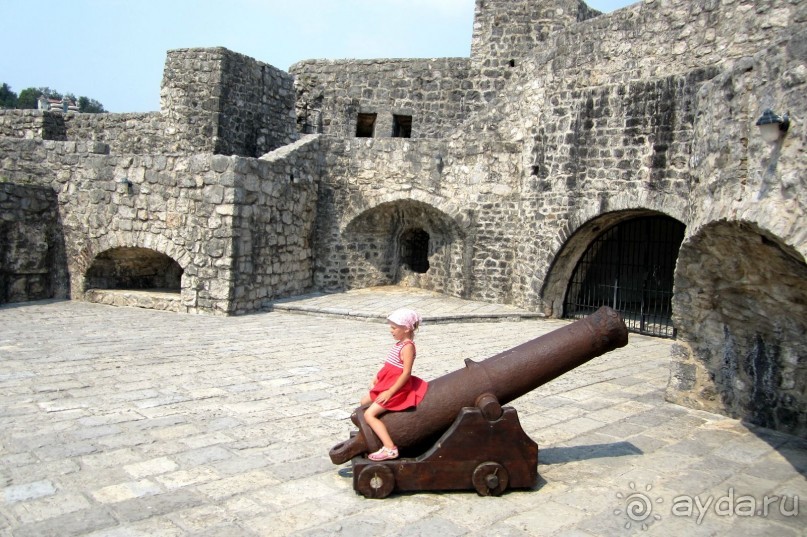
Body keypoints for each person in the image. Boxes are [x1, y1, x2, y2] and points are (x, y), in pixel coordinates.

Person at [360, 307, 429, 461]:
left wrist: (390, 392)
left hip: (396, 390)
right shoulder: (399, 344)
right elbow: (391, 366)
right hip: (386, 384)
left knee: (369, 414)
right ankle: (376, 431)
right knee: (363, 402)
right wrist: (378, 378)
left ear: (405, 329)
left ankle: (390, 448)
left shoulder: (408, 347)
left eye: (393, 328)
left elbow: (405, 373)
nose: (390, 331)